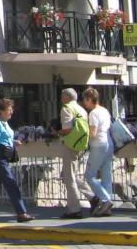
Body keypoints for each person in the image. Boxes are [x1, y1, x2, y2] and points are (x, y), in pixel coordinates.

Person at [81, 87, 114, 216]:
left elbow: (93, 133)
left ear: (89, 99)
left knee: (89, 176)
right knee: (106, 175)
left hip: (98, 145)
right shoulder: (105, 111)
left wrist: (83, 138)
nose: (84, 103)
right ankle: (107, 205)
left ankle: (105, 200)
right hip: (108, 143)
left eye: (85, 100)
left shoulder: (93, 113)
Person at [56, 88, 88, 218]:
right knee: (68, 174)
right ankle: (93, 197)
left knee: (69, 178)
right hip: (81, 144)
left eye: (62, 96)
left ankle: (74, 209)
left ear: (66, 97)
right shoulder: (82, 110)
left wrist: (57, 132)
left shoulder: (66, 108)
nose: (61, 99)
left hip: (70, 144)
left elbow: (67, 129)